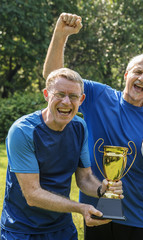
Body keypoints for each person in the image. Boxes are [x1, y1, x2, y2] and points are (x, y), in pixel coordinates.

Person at [43, 13, 143, 240]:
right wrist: (60, 35)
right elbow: (54, 78)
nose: (141, 78)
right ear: (126, 75)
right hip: (97, 211)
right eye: (137, 71)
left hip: (139, 215)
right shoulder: (98, 95)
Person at [0, 68, 123, 240]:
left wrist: (102, 189)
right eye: (59, 94)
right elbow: (32, 194)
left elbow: (85, 178)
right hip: (22, 230)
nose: (66, 102)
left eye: (73, 96)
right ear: (46, 95)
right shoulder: (23, 131)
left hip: (63, 229)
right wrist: (80, 207)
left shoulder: (79, 127)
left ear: (81, 100)